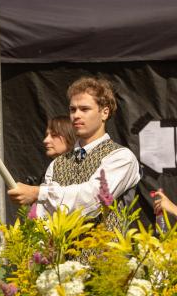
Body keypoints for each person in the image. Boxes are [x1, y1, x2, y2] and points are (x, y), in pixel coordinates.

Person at [8, 77, 140, 227]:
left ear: (104, 112)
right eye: (73, 109)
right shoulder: (57, 164)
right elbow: (44, 219)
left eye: (84, 109)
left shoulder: (121, 157)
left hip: (107, 243)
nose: (76, 115)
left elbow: (94, 199)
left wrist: (39, 193)